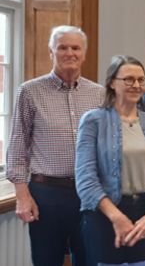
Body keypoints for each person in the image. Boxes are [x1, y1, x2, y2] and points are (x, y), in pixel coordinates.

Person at [6, 25, 104, 266]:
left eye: (75, 48)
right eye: (62, 47)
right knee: (45, 260)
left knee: (91, 260)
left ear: (84, 53)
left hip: (88, 193)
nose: (69, 53)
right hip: (46, 195)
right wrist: (22, 196)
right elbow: (18, 145)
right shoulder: (29, 91)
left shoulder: (99, 94)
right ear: (51, 52)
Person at [75, 55, 145, 265]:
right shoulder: (93, 121)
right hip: (104, 216)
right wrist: (117, 218)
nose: (136, 85)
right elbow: (85, 179)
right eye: (128, 79)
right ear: (112, 82)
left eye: (141, 80)